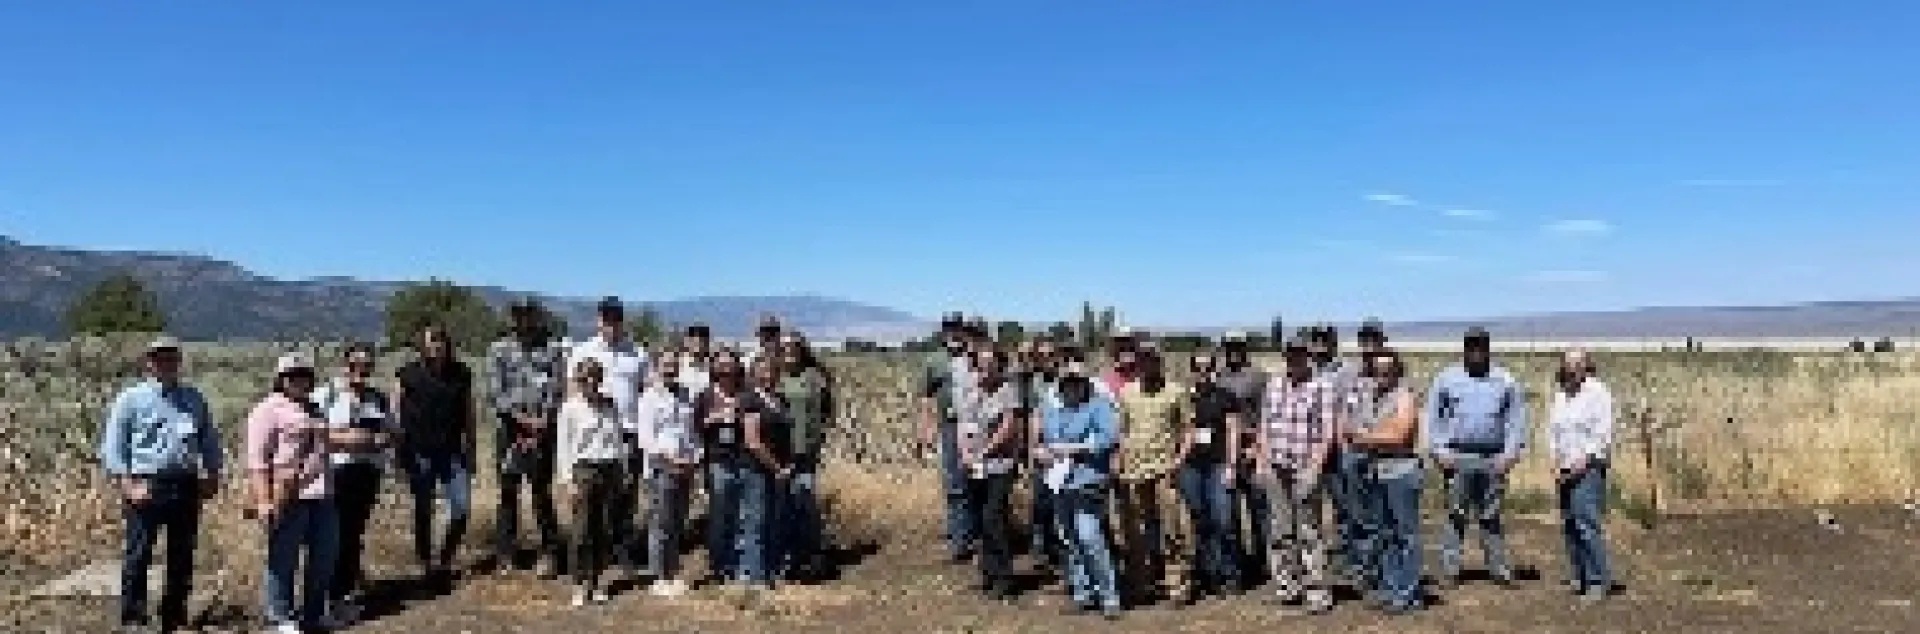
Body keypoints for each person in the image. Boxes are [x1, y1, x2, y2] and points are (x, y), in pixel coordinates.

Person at [99, 336, 225, 633]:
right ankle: (134, 617)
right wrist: (128, 484)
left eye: (171, 357)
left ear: (179, 362)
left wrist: (213, 474)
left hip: (185, 483)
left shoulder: (194, 398)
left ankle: (174, 615)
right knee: (139, 552)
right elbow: (114, 446)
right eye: (159, 358)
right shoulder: (130, 398)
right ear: (148, 362)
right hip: (146, 483)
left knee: (182, 553)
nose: (165, 363)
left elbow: (208, 440)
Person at [1424, 326, 1528, 588]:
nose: (1476, 352)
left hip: (1493, 459)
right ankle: (1450, 571)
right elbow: (1432, 417)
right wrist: (1438, 451)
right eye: (1471, 346)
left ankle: (1499, 569)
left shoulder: (1505, 380)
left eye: (1481, 346)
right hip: (1457, 458)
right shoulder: (1447, 379)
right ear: (1464, 349)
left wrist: (1510, 454)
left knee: (1491, 517)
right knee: (1456, 516)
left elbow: (1516, 420)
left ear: (1488, 348)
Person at [246, 353, 342, 633]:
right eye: (292, 375)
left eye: (304, 375)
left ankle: (314, 613)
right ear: (281, 379)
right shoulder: (268, 409)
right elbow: (257, 459)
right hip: (289, 494)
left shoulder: (314, 408)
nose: (299, 380)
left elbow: (326, 447)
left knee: (325, 556)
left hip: (322, 493)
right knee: (283, 558)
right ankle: (281, 616)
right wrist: (264, 499)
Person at [565, 297, 651, 574]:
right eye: (606, 318)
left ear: (622, 320)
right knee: (594, 502)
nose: (611, 324)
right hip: (593, 438)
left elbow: (645, 392)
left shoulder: (637, 353)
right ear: (598, 320)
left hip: (628, 432)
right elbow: (571, 393)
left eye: (616, 319)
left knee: (626, 496)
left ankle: (623, 552)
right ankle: (589, 558)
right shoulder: (582, 351)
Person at [1254, 338, 1340, 614]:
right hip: (1276, 467)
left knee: (1309, 531)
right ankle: (1286, 586)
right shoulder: (1275, 384)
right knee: (1280, 531)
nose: (1295, 359)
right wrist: (1263, 461)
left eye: (1300, 354)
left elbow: (1327, 432)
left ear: (1308, 356)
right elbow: (1265, 425)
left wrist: (1315, 469)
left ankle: (1316, 589)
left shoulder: (1322, 386)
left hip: (1305, 467)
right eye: (1290, 354)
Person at [313, 343, 395, 624]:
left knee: (352, 537)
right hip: (334, 474)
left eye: (366, 366)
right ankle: (320, 601)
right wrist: (358, 439)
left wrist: (383, 440)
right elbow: (316, 434)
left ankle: (341, 597)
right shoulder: (325, 395)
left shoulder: (378, 398)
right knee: (329, 538)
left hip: (366, 474)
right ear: (344, 365)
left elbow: (392, 432)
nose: (360, 371)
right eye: (354, 365)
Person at [487, 298, 567, 577]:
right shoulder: (498, 350)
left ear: (537, 317)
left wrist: (542, 421)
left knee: (541, 494)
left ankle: (550, 553)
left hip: (543, 433)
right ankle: (506, 554)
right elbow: (496, 393)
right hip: (509, 433)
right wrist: (521, 420)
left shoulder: (553, 349)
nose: (524, 320)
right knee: (508, 494)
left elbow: (558, 389)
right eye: (519, 315)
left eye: (529, 315)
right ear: (512, 318)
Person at [1039, 362, 1124, 620]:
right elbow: (1049, 439)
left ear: (1085, 384)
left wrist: (1076, 448)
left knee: (1089, 535)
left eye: (1077, 382)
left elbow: (1109, 437)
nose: (1072, 387)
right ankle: (1083, 593)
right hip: (1060, 481)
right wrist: (1042, 452)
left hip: (1089, 480)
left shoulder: (1098, 406)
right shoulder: (1055, 409)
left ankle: (1109, 596)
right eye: (1067, 382)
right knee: (1069, 537)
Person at [394, 324, 477, 585]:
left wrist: (471, 449)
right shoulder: (408, 374)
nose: (437, 345)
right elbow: (396, 414)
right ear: (422, 345)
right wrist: (398, 451)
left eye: (441, 340)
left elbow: (469, 414)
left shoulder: (461, 373)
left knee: (461, 507)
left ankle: (445, 559)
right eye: (431, 341)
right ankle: (424, 561)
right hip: (419, 451)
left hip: (452, 452)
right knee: (423, 507)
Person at [1111, 346, 1193, 607]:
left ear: (1159, 362)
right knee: (1136, 532)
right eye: (1142, 360)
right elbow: (1123, 431)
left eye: (1151, 360)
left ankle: (1177, 585)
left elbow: (1188, 429)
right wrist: (1118, 460)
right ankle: (1141, 583)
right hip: (1133, 471)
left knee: (1172, 528)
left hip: (1164, 470)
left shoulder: (1176, 391)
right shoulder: (1127, 393)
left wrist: (1179, 460)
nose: (1147, 365)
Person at [1344, 350, 1426, 614]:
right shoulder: (1370, 398)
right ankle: (1391, 588)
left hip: (1401, 473)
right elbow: (1350, 428)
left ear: (1397, 372)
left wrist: (1366, 437)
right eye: (1376, 371)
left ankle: (1408, 594)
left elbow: (1399, 435)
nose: (1380, 376)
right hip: (1376, 472)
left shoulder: (1405, 397)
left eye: (1386, 371)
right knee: (1385, 534)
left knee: (1406, 535)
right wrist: (1374, 434)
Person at [555, 357, 629, 606]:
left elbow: (618, 439)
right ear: (578, 380)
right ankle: (578, 584)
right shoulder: (570, 407)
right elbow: (563, 446)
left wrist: (624, 469)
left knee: (604, 529)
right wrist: (567, 481)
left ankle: (597, 582)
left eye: (595, 378)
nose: (590, 383)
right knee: (581, 531)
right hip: (583, 470)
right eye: (585, 378)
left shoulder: (610, 404)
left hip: (610, 469)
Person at [955, 347, 1024, 600]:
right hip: (974, 464)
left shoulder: (1008, 391)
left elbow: (1008, 426)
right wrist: (964, 453)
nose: (983, 368)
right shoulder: (969, 393)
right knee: (978, 518)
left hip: (1000, 464)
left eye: (988, 363)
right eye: (979, 364)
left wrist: (985, 450)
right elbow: (963, 425)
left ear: (998, 366)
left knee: (994, 516)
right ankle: (988, 572)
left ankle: (1005, 577)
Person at [698, 351, 772, 587]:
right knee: (721, 516)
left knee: (748, 517)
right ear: (715, 371)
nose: (726, 374)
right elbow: (694, 428)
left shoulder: (747, 395)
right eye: (721, 369)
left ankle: (747, 571)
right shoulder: (705, 396)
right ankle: (721, 567)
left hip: (745, 460)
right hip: (718, 462)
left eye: (731, 369)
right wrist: (715, 418)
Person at [1550, 349, 1616, 602]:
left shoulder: (1597, 393)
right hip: (1565, 467)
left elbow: (1603, 433)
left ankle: (1598, 580)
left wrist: (1586, 459)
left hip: (1588, 469)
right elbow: (1554, 430)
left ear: (1587, 366)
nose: (1573, 368)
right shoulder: (1561, 395)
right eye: (1568, 363)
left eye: (1578, 363)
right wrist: (1556, 460)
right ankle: (1579, 576)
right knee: (1569, 526)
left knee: (1586, 524)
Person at [1179, 353, 1244, 601]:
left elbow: (1233, 431)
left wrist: (1231, 465)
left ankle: (1231, 574)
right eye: (1198, 368)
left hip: (1218, 465)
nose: (1203, 372)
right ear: (1192, 370)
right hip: (1192, 467)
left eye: (1207, 368)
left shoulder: (1226, 396)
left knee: (1223, 520)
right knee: (1200, 521)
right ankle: (1210, 574)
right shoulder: (1186, 398)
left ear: (1214, 370)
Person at [637, 354, 701, 597]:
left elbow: (691, 432)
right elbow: (646, 438)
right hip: (660, 468)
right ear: (656, 368)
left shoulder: (685, 395)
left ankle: (672, 573)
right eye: (665, 366)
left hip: (684, 468)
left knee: (677, 522)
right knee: (660, 523)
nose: (670, 370)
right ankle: (658, 576)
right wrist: (669, 460)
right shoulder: (648, 398)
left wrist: (695, 457)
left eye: (674, 366)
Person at [918, 313, 979, 562]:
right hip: (950, 426)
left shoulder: (975, 356)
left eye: (957, 328)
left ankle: (981, 536)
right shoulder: (934, 361)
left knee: (977, 480)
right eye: (949, 328)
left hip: (977, 426)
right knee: (954, 482)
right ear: (943, 332)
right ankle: (959, 540)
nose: (953, 333)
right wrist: (925, 428)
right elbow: (925, 397)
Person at [773, 332, 835, 581]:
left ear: (802, 349)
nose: (789, 351)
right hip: (779, 452)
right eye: (785, 347)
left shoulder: (815, 377)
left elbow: (829, 409)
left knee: (805, 500)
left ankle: (812, 555)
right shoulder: (774, 376)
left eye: (794, 346)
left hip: (806, 451)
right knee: (783, 504)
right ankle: (787, 558)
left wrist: (820, 433)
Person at [1214, 331, 1270, 587]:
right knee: (1230, 514)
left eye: (1238, 346)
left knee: (1260, 511)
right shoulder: (1219, 377)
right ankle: (1238, 565)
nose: (1233, 350)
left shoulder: (1258, 377)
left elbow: (1266, 416)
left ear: (1245, 348)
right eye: (1229, 346)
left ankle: (1264, 563)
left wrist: (1258, 450)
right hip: (1227, 454)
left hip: (1253, 449)